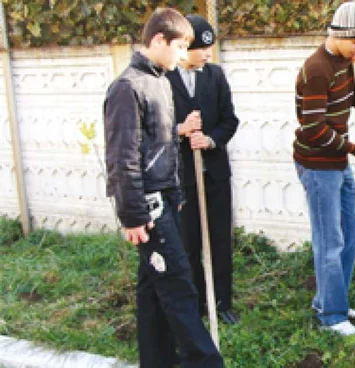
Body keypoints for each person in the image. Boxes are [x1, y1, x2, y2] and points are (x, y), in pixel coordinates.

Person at [104, 8, 223, 367]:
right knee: (179, 288)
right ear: (158, 40)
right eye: (180, 46)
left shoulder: (159, 81)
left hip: (167, 201)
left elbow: (158, 144)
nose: (184, 55)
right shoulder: (127, 87)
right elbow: (122, 157)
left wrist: (178, 196)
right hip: (148, 209)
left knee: (153, 292)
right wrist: (134, 216)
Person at [293, 1, 355, 336]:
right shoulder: (317, 69)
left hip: (336, 160)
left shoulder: (346, 61)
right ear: (338, 35)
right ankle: (331, 316)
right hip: (317, 164)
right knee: (330, 239)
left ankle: (330, 299)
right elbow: (313, 129)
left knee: (351, 234)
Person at [167, 14, 240, 325]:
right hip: (182, 179)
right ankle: (195, 304)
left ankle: (222, 302)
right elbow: (151, 129)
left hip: (215, 176)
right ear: (184, 48)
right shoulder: (164, 80)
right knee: (188, 241)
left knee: (220, 239)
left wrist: (210, 140)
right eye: (201, 49)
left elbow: (230, 121)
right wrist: (180, 130)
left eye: (210, 48)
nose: (208, 55)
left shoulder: (215, 76)